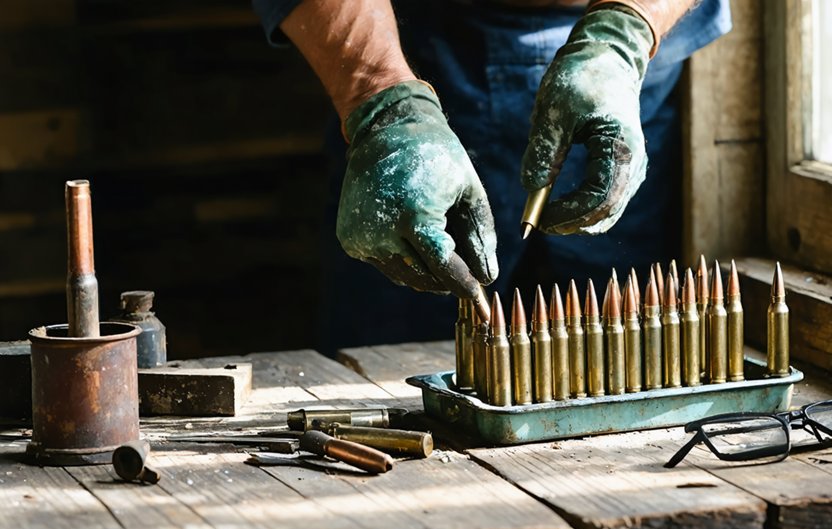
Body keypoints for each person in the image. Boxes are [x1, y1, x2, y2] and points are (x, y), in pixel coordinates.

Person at [251, 0, 731, 355]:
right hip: (405, 45)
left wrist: (624, 34)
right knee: (395, 358)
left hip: (646, 53)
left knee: (629, 352)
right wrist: (381, 102)